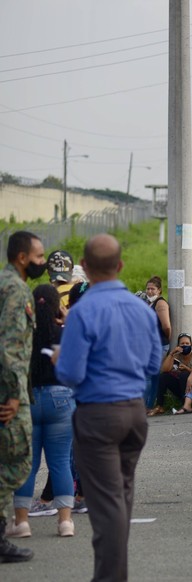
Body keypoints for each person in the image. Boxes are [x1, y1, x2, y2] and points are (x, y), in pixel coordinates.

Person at [55, 233, 162, 582]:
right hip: (134, 411)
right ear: (120, 266)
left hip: (98, 412)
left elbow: (70, 373)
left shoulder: (82, 312)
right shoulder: (141, 308)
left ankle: (110, 577)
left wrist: (59, 358)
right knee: (122, 494)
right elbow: (152, 365)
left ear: (83, 268)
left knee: (106, 505)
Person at [9, 285, 76, 539]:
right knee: (60, 463)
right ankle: (65, 522)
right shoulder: (64, 334)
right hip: (61, 399)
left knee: (29, 464)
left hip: (29, 399)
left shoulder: (24, 335)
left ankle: (22, 523)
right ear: (56, 304)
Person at [1, 230, 45, 564]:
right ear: (22, 257)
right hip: (8, 393)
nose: (42, 263)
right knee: (16, 463)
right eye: (39, 257)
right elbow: (11, 347)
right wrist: (15, 394)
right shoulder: (16, 289)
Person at [148, 333, 192, 416]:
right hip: (179, 387)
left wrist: (187, 368)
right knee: (163, 377)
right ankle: (160, 406)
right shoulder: (176, 357)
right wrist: (172, 353)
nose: (185, 345)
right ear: (178, 346)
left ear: (191, 344)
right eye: (182, 344)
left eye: (187, 343)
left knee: (184, 375)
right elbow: (164, 369)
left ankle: (186, 404)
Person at [143, 276, 171, 409]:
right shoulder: (149, 303)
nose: (149, 291)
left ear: (159, 290)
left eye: (152, 289)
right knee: (153, 377)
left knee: (148, 376)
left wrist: (167, 339)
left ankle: (143, 406)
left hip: (159, 345)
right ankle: (149, 405)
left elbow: (166, 326)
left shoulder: (160, 304)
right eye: (147, 288)